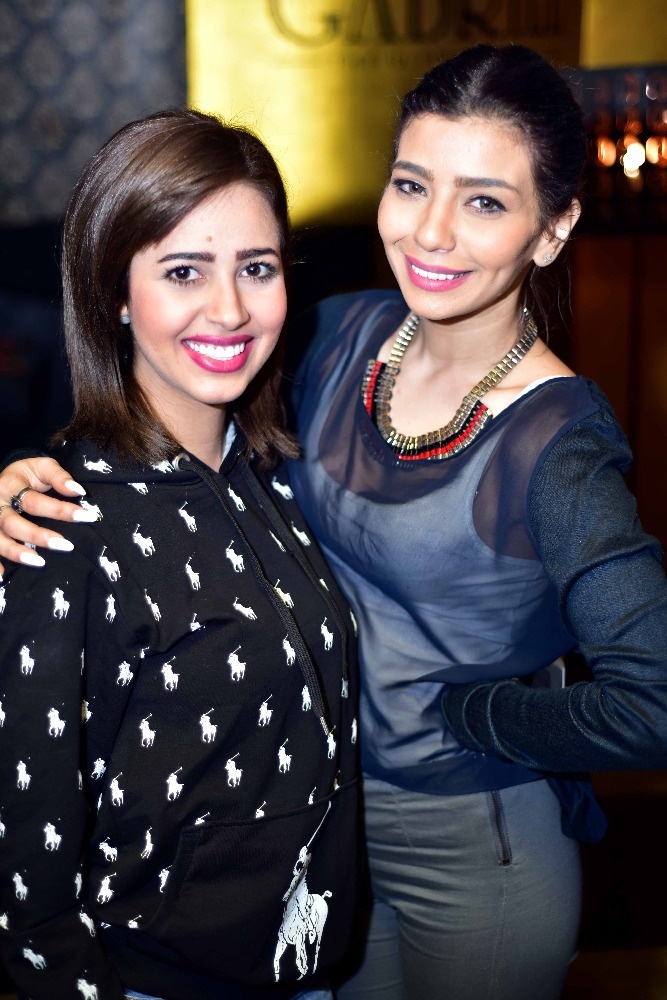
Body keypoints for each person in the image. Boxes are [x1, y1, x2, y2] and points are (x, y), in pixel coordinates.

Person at [2, 43, 667, 1000]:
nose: (431, 232)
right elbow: (175, 406)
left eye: (484, 202)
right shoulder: (334, 333)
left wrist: (480, 713)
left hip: (467, 835)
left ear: (552, 228)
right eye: (412, 184)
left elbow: (652, 699)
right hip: (316, 847)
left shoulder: (556, 442)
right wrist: (21, 477)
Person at [0, 108, 360, 1000]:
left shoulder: (273, 479)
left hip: (306, 966)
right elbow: (24, 870)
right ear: (115, 295)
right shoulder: (60, 522)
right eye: (183, 271)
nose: (229, 308)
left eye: (256, 267)